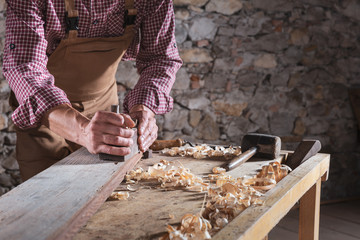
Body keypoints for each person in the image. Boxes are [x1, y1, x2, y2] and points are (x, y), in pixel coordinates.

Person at [3, 0, 182, 181]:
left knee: (106, 196)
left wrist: (144, 108)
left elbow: (160, 58)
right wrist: (83, 131)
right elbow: (24, 66)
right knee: (46, 197)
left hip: (104, 108)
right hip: (44, 117)